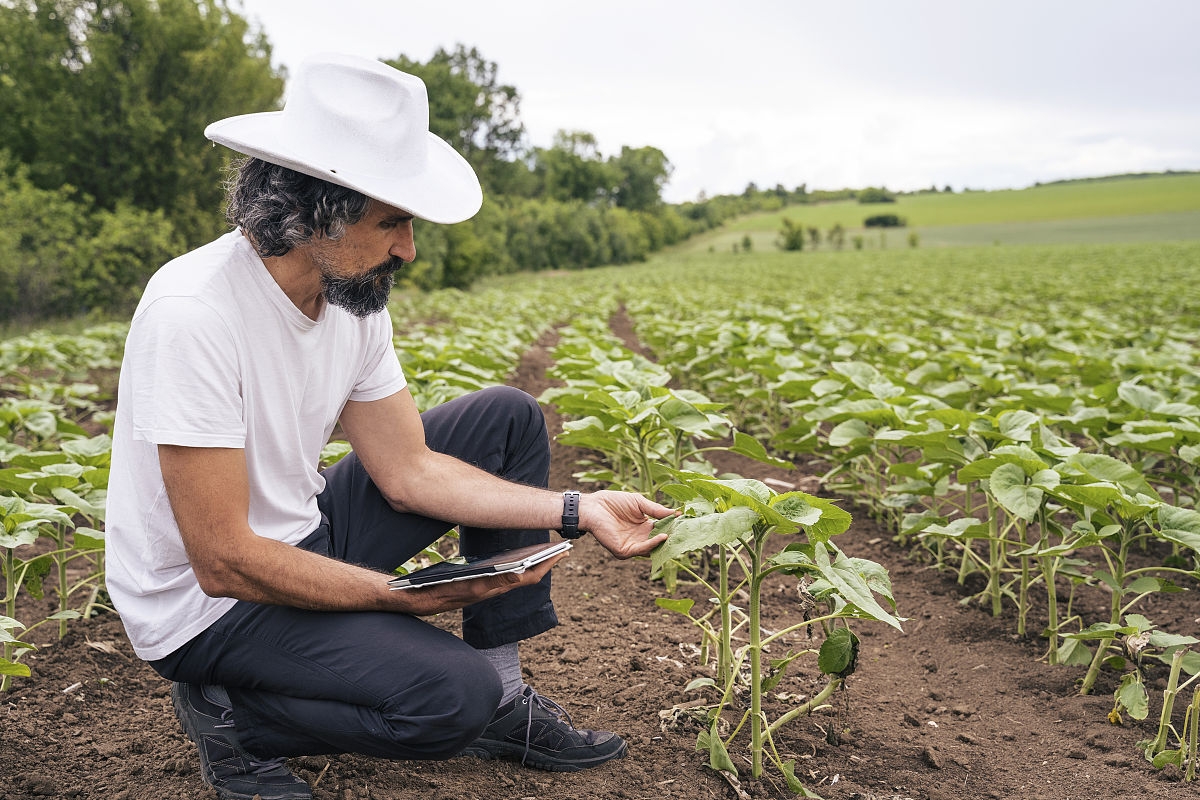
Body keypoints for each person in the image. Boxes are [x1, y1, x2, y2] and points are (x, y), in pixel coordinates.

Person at [104, 53, 674, 800]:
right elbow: (223, 560)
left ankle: (507, 700)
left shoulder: (351, 295)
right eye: (391, 221)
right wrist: (395, 596)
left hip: (300, 535)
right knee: (450, 701)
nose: (409, 247)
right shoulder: (194, 314)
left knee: (505, 416)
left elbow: (410, 471)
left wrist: (577, 508)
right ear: (312, 214)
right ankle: (234, 719)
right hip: (210, 606)